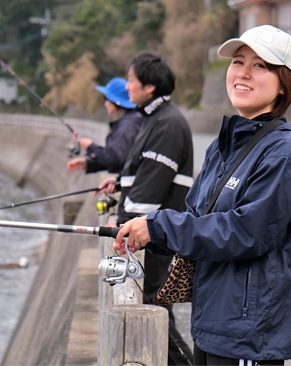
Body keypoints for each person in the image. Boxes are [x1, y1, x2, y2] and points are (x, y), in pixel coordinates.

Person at [113, 25, 291, 365]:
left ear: (284, 84)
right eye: (238, 62)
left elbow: (247, 232)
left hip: (248, 334)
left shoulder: (285, 152)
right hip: (211, 321)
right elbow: (196, 219)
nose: (243, 73)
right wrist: (149, 233)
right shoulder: (223, 145)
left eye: (261, 65)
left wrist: (161, 226)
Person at [97, 52, 195, 365]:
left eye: (131, 80)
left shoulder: (166, 124)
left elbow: (149, 194)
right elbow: (142, 174)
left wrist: (124, 228)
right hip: (154, 234)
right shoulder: (155, 118)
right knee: (157, 310)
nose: (127, 87)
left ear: (149, 86)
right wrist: (119, 182)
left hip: (157, 239)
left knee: (155, 311)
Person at [66, 77, 142, 174]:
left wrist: (91, 147)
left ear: (116, 101)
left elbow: (114, 159)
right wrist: (87, 163)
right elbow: (122, 159)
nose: (105, 103)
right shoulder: (131, 121)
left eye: (106, 99)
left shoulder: (128, 125)